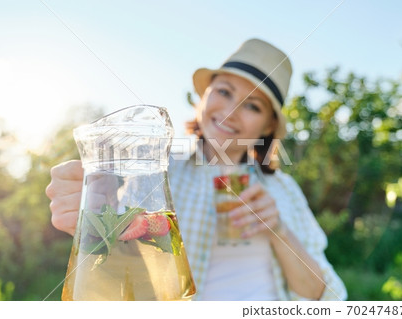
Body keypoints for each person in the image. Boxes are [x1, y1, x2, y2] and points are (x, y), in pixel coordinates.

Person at [46, 39, 347, 301]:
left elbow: (324, 297)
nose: (230, 111)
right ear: (204, 97)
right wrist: (96, 211)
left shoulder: (284, 190)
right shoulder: (157, 173)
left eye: (252, 106)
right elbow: (124, 271)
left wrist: (278, 230)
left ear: (268, 125)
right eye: (224, 92)